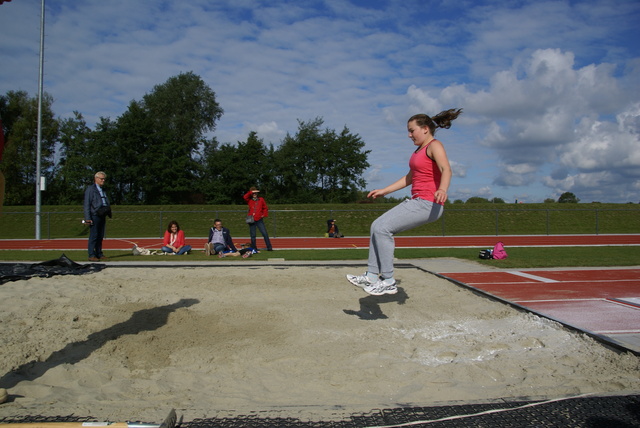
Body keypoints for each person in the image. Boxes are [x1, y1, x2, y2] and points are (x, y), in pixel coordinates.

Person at [347, 108, 462, 296]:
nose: (409, 135)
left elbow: (446, 169)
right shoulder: (419, 151)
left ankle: (389, 281)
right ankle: (372, 276)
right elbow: (409, 178)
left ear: (425, 129)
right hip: (418, 200)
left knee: (383, 229)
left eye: (411, 130)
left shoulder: (434, 145)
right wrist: (384, 190)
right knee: (376, 226)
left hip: (428, 203)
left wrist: (442, 189)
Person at [83, 171, 112, 261]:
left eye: (104, 179)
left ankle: (99, 253)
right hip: (94, 215)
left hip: (102, 214)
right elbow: (87, 204)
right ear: (96, 179)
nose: (103, 180)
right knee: (94, 236)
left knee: (100, 235)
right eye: (101, 179)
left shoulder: (102, 190)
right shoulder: (91, 189)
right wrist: (88, 218)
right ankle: (91, 254)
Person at [243, 186, 273, 251]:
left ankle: (269, 247)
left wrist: (263, 214)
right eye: (253, 193)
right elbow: (245, 197)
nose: (254, 194)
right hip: (251, 219)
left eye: (255, 193)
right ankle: (254, 248)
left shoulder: (261, 199)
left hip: (259, 219)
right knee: (253, 235)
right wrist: (251, 191)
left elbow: (265, 207)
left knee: (264, 233)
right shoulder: (249, 200)